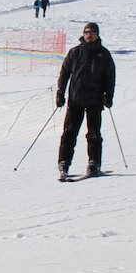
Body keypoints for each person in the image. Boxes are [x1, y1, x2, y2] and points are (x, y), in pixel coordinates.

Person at [56, 22, 116, 180]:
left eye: (93, 33)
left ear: (97, 35)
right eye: (87, 32)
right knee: (69, 133)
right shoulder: (75, 52)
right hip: (76, 99)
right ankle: (64, 163)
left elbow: (110, 77)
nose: (90, 35)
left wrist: (109, 96)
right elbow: (64, 74)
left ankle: (94, 163)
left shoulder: (104, 54)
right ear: (83, 34)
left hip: (95, 100)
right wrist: (60, 93)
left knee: (94, 134)